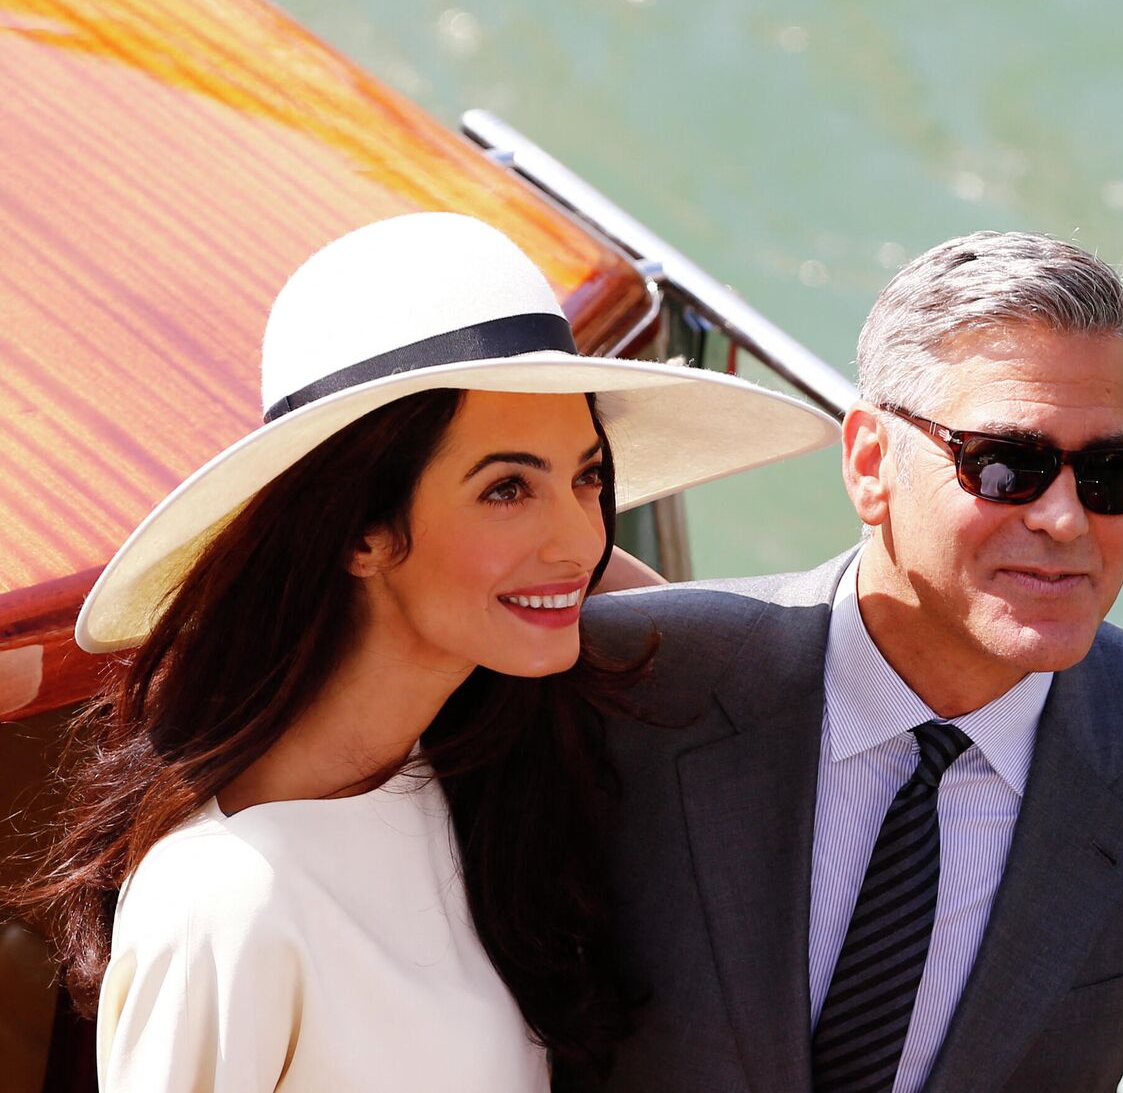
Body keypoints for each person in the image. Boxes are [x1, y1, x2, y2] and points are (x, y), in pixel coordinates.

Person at [8, 213, 837, 1090]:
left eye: (588, 476)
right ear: (358, 531)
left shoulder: (458, 772)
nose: (578, 539)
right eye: (507, 488)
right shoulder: (227, 902)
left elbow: (693, 637)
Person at [584, 231, 1123, 1093]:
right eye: (1008, 465)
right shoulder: (625, 688)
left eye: (1113, 472)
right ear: (870, 463)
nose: (1067, 520)